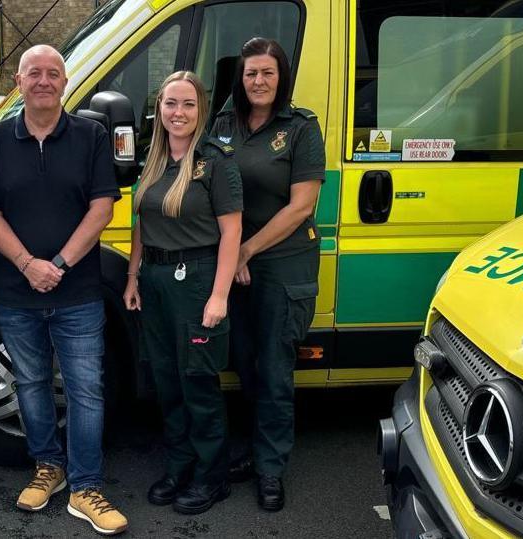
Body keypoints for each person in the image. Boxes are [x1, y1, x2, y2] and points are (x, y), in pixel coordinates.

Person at [0, 44, 128, 535]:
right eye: (33, 73)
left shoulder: (91, 135)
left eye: (52, 73)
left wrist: (56, 264)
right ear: (17, 82)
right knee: (31, 384)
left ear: (63, 82)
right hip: (16, 292)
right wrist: (26, 264)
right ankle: (48, 468)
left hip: (76, 290)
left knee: (85, 389)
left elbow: (102, 207)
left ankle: (86, 486)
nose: (43, 80)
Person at [211, 37, 325, 512]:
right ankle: (256, 453)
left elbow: (302, 206)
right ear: (240, 78)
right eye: (251, 73)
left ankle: (271, 469)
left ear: (282, 79)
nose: (258, 81)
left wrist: (246, 251)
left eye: (268, 73)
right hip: (230, 266)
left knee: (275, 371)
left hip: (280, 264)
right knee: (244, 363)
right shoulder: (221, 124)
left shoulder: (300, 128)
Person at [123, 71, 243, 515]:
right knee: (167, 383)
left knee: (198, 384)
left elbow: (231, 234)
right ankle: (179, 466)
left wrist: (219, 296)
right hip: (155, 283)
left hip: (196, 281)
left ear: (201, 110)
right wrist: (133, 276)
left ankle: (212, 476)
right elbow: (143, 224)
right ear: (159, 110)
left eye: (188, 104)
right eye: (171, 104)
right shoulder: (153, 161)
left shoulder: (215, 161)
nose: (179, 113)